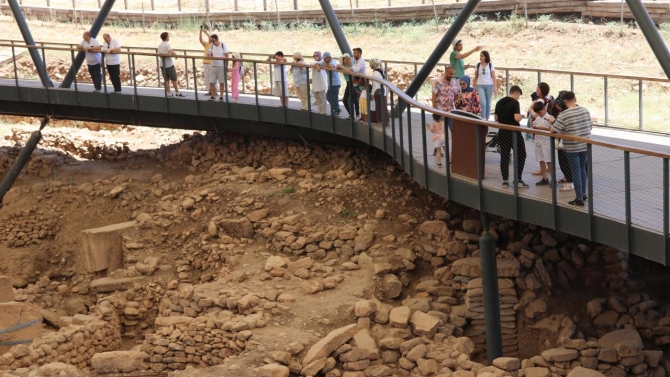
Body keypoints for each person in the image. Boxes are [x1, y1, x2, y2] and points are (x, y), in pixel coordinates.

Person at [551, 91, 593, 207]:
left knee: (576, 172)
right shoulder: (584, 110)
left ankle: (579, 198)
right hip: (585, 144)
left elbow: (553, 130)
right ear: (575, 99)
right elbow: (590, 126)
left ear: (564, 101)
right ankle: (583, 194)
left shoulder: (564, 114)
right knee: (582, 169)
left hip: (572, 147)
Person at [494, 85, 528, 188]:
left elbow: (496, 118)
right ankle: (518, 179)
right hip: (514, 132)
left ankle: (505, 180)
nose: (518, 98)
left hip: (502, 132)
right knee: (521, 154)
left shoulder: (499, 102)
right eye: (519, 96)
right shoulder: (515, 103)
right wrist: (522, 116)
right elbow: (516, 118)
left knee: (505, 155)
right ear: (516, 93)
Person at [530, 101, 554, 186]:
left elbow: (553, 130)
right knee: (541, 160)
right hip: (538, 141)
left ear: (544, 109)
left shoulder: (550, 117)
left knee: (548, 161)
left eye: (540, 112)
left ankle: (553, 179)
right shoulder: (537, 118)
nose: (539, 114)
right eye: (538, 113)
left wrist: (542, 128)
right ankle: (544, 178)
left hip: (547, 142)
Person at [157, 32, 184, 98]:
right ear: (166, 37)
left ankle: (169, 93)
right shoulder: (167, 45)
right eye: (168, 36)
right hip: (169, 65)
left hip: (162, 64)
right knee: (173, 79)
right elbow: (172, 52)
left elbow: (160, 55)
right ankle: (177, 92)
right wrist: (175, 55)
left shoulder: (159, 45)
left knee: (166, 80)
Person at [472, 50, 496, 120]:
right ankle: (482, 119)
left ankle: (487, 119)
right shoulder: (478, 65)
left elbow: (494, 77)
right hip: (480, 85)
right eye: (480, 56)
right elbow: (476, 77)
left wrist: (495, 88)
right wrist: (474, 86)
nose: (480, 57)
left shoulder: (490, 65)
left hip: (489, 85)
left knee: (488, 103)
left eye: (482, 56)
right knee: (483, 102)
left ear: (485, 57)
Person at [208, 34, 228, 101]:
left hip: (221, 66)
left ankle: (221, 95)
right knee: (212, 82)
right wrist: (210, 56)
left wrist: (226, 67)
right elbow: (208, 55)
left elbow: (226, 57)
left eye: (213, 41)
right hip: (213, 66)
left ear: (216, 40)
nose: (212, 42)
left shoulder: (223, 46)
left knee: (221, 82)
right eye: (211, 41)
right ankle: (213, 95)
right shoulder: (211, 46)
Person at [369, 58, 388, 127]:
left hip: (378, 92)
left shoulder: (375, 72)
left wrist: (372, 93)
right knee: (384, 107)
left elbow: (375, 85)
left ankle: (378, 122)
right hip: (383, 91)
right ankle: (386, 122)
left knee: (378, 108)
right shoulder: (381, 70)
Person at [350, 47, 366, 119]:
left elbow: (356, 70)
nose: (354, 55)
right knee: (358, 100)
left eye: (355, 53)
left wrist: (350, 64)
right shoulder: (356, 61)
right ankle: (361, 116)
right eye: (353, 53)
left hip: (361, 84)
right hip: (357, 83)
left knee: (360, 100)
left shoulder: (361, 62)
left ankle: (362, 117)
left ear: (359, 53)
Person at [340, 53, 356, 119]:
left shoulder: (352, 65)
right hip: (348, 82)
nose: (346, 60)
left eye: (347, 58)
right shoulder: (342, 65)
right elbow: (338, 66)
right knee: (345, 100)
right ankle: (351, 114)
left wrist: (350, 64)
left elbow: (353, 69)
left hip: (353, 83)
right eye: (344, 58)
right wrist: (345, 68)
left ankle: (353, 115)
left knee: (351, 100)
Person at [199, 27, 213, 96]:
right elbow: (201, 40)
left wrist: (206, 32)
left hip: (211, 63)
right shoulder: (207, 44)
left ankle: (214, 91)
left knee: (212, 77)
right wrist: (200, 33)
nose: (209, 39)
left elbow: (210, 38)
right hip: (205, 63)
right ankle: (210, 91)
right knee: (207, 77)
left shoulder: (213, 45)